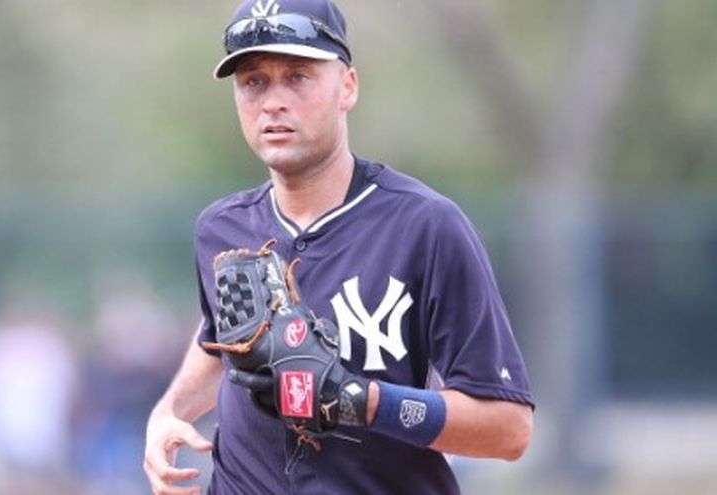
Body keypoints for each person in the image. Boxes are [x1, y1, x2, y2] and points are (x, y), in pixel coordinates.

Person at [144, 1, 534, 494]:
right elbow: (220, 343)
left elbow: (509, 429)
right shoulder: (221, 229)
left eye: (298, 76)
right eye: (253, 81)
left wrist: (360, 399)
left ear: (347, 86)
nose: (273, 101)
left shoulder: (425, 226)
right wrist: (168, 412)